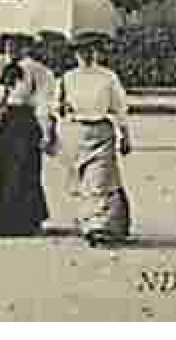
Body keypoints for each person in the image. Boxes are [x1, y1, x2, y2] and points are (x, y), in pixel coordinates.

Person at [56, 33, 132, 246]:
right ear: (75, 54)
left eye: (91, 51)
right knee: (83, 182)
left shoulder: (108, 77)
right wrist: (62, 110)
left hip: (101, 132)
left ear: (98, 53)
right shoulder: (67, 78)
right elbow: (58, 108)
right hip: (77, 133)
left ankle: (99, 226)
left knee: (100, 180)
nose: (87, 56)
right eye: (81, 52)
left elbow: (119, 107)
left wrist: (125, 135)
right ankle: (91, 221)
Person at [0, 33, 54, 236]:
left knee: (25, 169)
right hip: (3, 122)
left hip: (26, 123)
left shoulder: (37, 71)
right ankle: (7, 216)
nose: (13, 48)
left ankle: (27, 218)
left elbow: (43, 101)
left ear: (26, 47)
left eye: (18, 44)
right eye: (9, 44)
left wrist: (46, 129)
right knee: (4, 170)